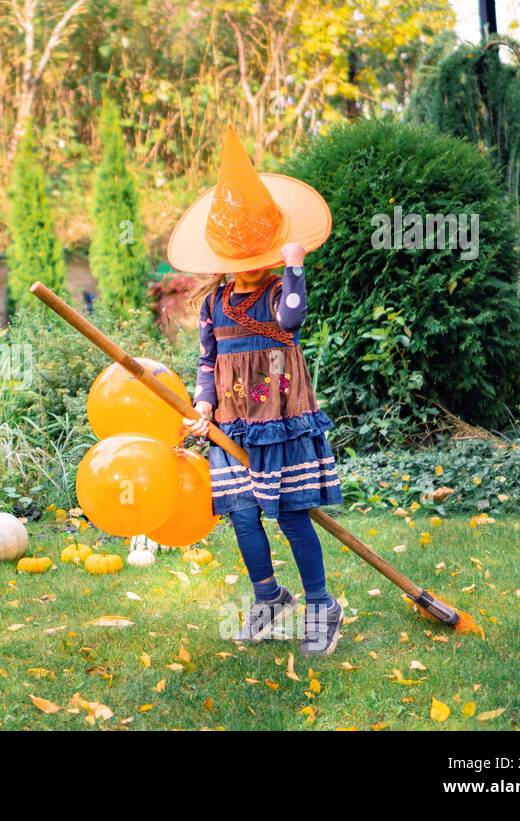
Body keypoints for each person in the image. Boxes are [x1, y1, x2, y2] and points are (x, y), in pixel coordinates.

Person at [169, 127, 345, 656]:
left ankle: (321, 604)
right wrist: (204, 405)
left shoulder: (278, 293)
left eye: (258, 253)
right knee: (243, 513)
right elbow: (207, 361)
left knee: (291, 512)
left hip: (280, 416)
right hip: (233, 422)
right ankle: (269, 596)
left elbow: (292, 322)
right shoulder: (212, 304)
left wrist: (295, 268)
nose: (246, 264)